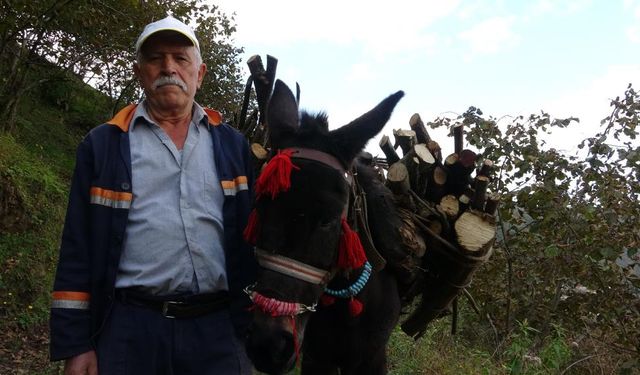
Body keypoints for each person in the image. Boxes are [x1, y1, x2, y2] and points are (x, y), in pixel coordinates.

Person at [49, 15, 257, 374]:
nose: (168, 68)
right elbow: (78, 247)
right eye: (156, 58)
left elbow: (256, 236)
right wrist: (76, 343)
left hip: (218, 330)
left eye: (180, 58)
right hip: (129, 328)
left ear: (200, 73)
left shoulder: (234, 147)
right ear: (138, 71)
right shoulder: (104, 145)